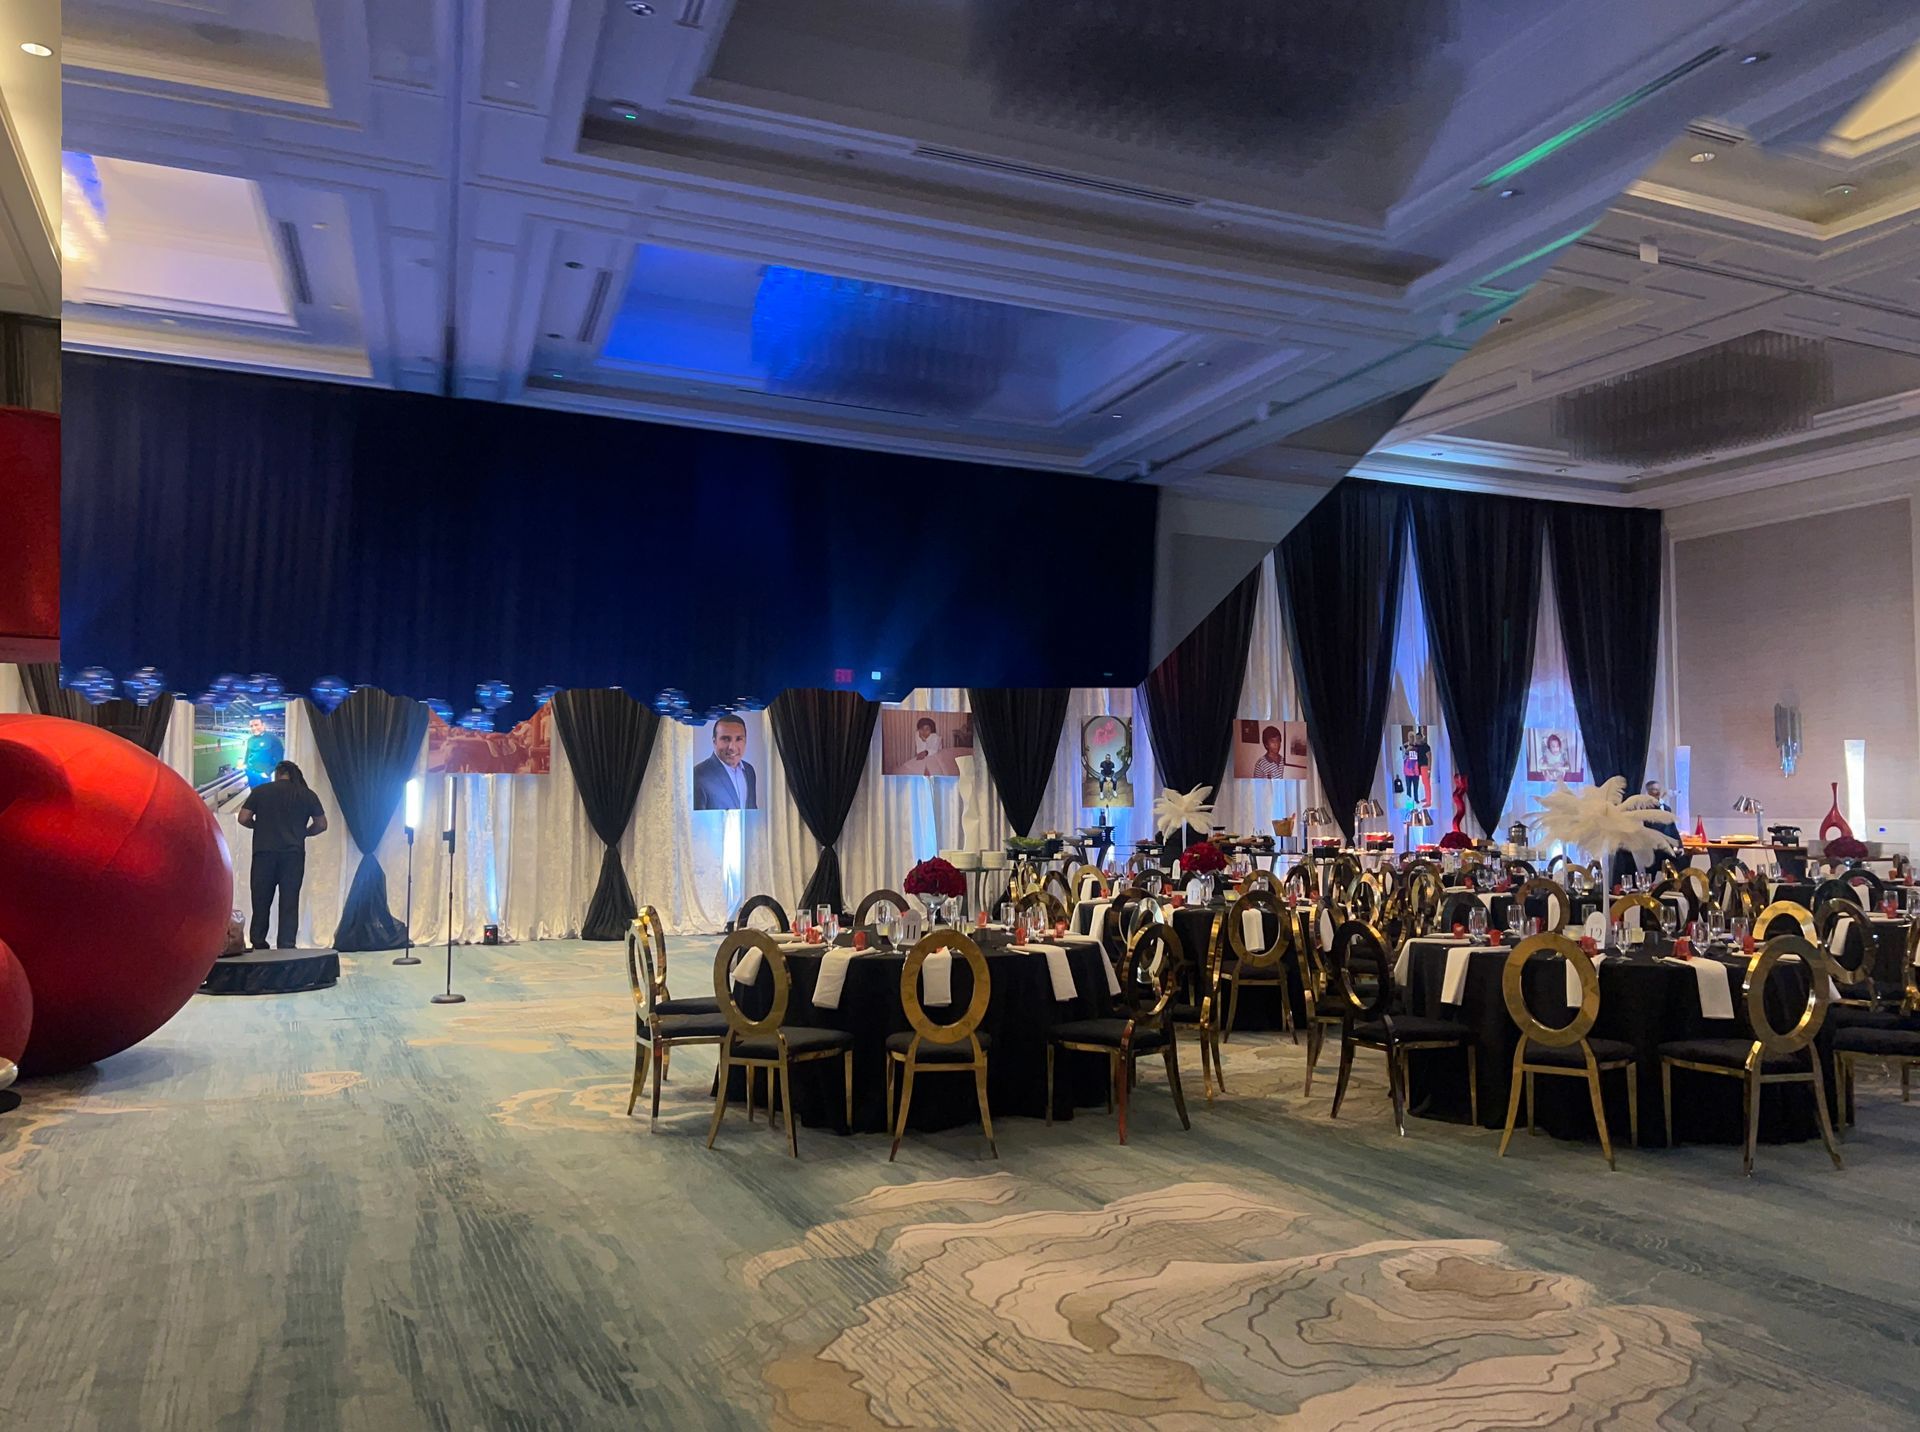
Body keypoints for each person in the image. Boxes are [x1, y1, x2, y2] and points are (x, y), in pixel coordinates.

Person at [236, 760, 327, 950]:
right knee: (289, 901)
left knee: (260, 901)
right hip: (293, 856)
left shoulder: (261, 791)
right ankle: (286, 945)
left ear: (277, 773)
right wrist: (304, 833)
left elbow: (243, 818)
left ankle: (258, 942)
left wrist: (258, 827)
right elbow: (321, 824)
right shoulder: (307, 794)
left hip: (264, 854)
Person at [693, 715, 758, 810]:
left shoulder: (749, 771)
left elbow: (752, 812)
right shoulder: (698, 774)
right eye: (726, 739)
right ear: (714, 741)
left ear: (745, 741)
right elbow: (696, 818)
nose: (732, 747)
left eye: (739, 739)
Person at [242, 714, 284, 787]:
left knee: (264, 793)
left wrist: (268, 772)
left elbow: (279, 759)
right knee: (253, 792)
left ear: (263, 725)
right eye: (251, 726)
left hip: (263, 775)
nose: (254, 728)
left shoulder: (273, 739)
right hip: (250, 773)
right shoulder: (250, 740)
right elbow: (248, 753)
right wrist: (245, 765)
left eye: (256, 725)